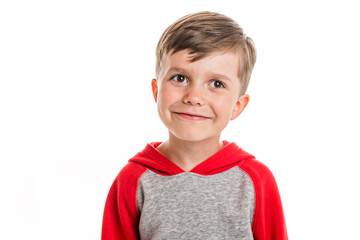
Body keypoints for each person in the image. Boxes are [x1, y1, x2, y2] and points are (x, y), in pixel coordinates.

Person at [101, 11, 288, 240]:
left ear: (237, 106)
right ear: (156, 91)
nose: (194, 96)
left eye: (216, 83)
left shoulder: (255, 180)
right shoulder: (132, 180)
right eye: (180, 78)